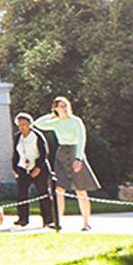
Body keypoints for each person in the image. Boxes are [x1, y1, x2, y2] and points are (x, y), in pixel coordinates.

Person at [33, 95, 95, 231]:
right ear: (56, 108)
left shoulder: (76, 121)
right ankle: (58, 221)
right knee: (59, 190)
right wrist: (53, 115)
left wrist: (78, 159)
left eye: (65, 105)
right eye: (61, 106)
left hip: (74, 152)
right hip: (62, 153)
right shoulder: (55, 122)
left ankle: (86, 223)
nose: (64, 108)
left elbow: (81, 140)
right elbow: (37, 123)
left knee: (80, 190)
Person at [12, 112, 59, 230]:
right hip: (23, 168)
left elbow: (44, 153)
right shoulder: (18, 137)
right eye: (20, 124)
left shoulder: (37, 136)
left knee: (43, 193)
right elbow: (15, 154)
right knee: (22, 194)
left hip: (39, 169)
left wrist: (38, 167)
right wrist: (15, 169)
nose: (22, 127)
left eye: (24, 124)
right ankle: (22, 218)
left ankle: (48, 220)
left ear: (30, 124)